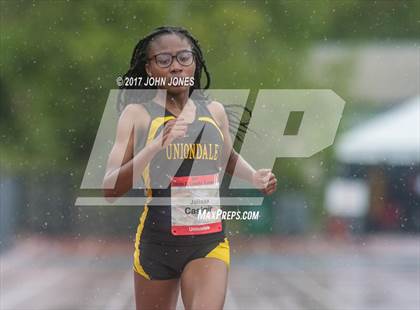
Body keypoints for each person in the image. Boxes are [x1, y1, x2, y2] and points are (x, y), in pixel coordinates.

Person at [103, 26, 277, 310]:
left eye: (184, 57)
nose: (176, 67)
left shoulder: (214, 112)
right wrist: (154, 146)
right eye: (164, 60)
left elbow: (227, 157)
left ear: (195, 62)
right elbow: (109, 189)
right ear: (149, 69)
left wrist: (254, 176)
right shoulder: (137, 115)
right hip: (156, 244)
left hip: (207, 242)